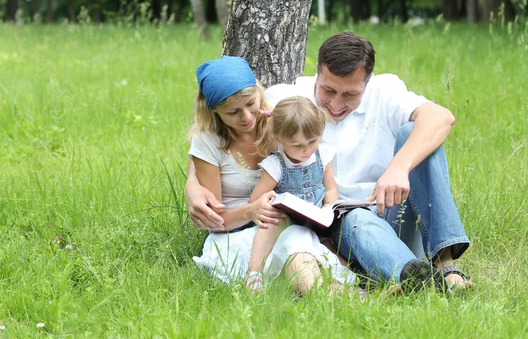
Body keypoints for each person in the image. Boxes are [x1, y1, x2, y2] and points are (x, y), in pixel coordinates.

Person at [187, 32, 472, 292]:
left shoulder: (386, 92)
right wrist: (193, 182)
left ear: (368, 82)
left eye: (350, 94)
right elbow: (218, 138)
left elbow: (441, 117)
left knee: (418, 135)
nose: (336, 105)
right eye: (328, 91)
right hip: (338, 228)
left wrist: (399, 166)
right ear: (317, 75)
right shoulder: (285, 99)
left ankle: (446, 264)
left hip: (390, 213)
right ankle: (415, 280)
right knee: (357, 217)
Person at [188, 55, 356, 294]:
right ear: (214, 111)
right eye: (233, 112)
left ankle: (348, 296)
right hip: (236, 236)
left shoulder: (278, 122)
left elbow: (313, 148)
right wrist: (251, 211)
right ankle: (348, 298)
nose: (246, 117)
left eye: (250, 103)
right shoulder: (208, 144)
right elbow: (215, 221)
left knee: (296, 238)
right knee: (292, 240)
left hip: (286, 226)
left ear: (258, 92)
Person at [245, 96, 340, 291]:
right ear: (280, 139)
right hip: (286, 220)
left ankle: (349, 281)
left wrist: (329, 207)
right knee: (270, 226)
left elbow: (330, 188)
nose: (306, 150)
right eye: (297, 145)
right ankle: (254, 274)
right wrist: (268, 199)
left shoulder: (323, 156)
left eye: (312, 141)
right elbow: (256, 198)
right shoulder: (277, 165)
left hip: (316, 219)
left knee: (333, 244)